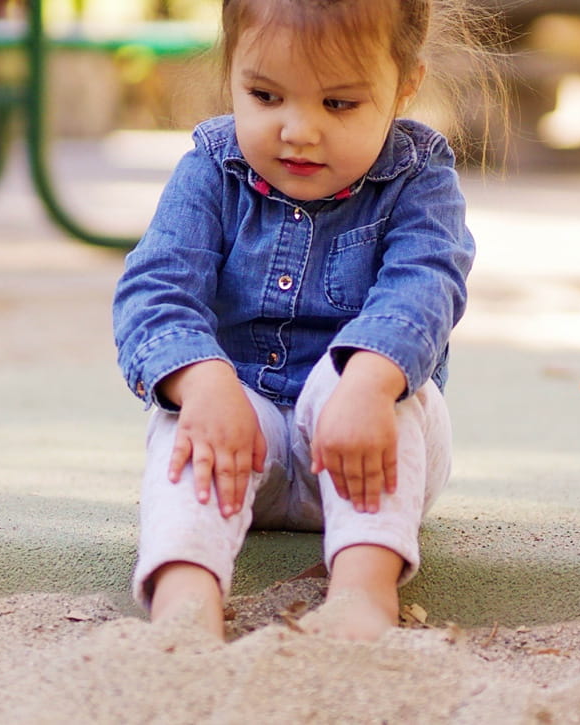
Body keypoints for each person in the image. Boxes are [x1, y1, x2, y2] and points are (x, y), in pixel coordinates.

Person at [110, 0, 493, 642]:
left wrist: (370, 383)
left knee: (374, 383)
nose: (298, 130)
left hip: (363, 441)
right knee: (182, 413)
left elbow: (425, 286)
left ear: (404, 85)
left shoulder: (419, 179)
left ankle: (364, 597)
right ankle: (185, 601)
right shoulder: (211, 169)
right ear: (232, 71)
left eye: (338, 104)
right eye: (265, 95)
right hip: (238, 437)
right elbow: (155, 289)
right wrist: (203, 383)